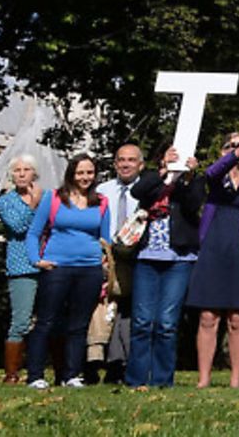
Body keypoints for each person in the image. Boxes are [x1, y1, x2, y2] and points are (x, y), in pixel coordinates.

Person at [25, 153, 112, 388]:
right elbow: (34, 233)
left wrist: (105, 262)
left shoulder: (101, 202)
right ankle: (36, 375)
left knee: (79, 324)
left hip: (90, 270)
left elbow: (105, 239)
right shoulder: (53, 198)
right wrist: (37, 260)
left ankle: (71, 375)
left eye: (90, 172)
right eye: (80, 172)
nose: (85, 177)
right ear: (72, 174)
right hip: (57, 268)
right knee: (46, 322)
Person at [187, 128, 239, 388]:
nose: (238, 150)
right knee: (208, 316)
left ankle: (235, 380)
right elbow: (211, 172)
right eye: (232, 145)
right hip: (213, 245)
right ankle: (204, 379)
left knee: (237, 317)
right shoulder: (217, 176)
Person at [124, 147, 203, 388]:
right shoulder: (152, 178)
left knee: (167, 323)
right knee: (142, 321)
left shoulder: (193, 181)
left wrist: (188, 177)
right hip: (147, 257)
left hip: (179, 258)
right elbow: (137, 191)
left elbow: (193, 205)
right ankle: (136, 379)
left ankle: (162, 380)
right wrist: (163, 171)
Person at [93, 143, 145, 383]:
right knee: (107, 309)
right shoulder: (103, 190)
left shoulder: (147, 190)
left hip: (138, 254)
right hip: (108, 254)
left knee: (130, 311)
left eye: (131, 160)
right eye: (121, 160)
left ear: (141, 164)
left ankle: (126, 363)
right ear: (115, 164)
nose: (125, 164)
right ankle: (106, 363)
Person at [0, 156, 43, 384]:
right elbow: (17, 227)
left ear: (34, 174)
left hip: (47, 263)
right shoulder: (6, 202)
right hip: (21, 265)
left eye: (27, 169)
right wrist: (33, 206)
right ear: (12, 175)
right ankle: (11, 374)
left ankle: (55, 370)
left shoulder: (47, 198)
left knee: (50, 319)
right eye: (17, 170)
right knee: (21, 321)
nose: (22, 174)